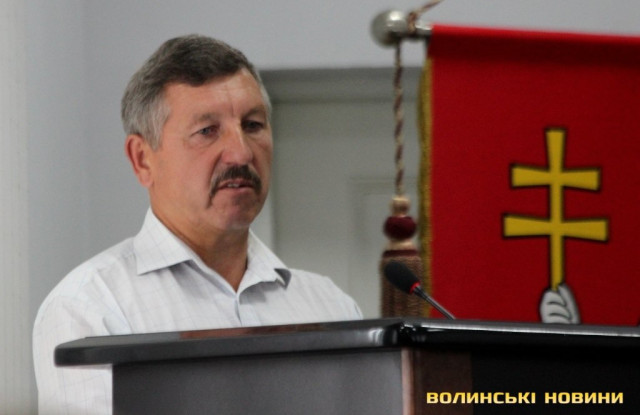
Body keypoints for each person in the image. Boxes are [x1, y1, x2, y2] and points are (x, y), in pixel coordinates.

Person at [33, 34, 362, 414]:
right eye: (207, 131)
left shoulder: (332, 308)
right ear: (142, 159)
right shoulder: (90, 308)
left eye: (253, 125)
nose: (240, 152)